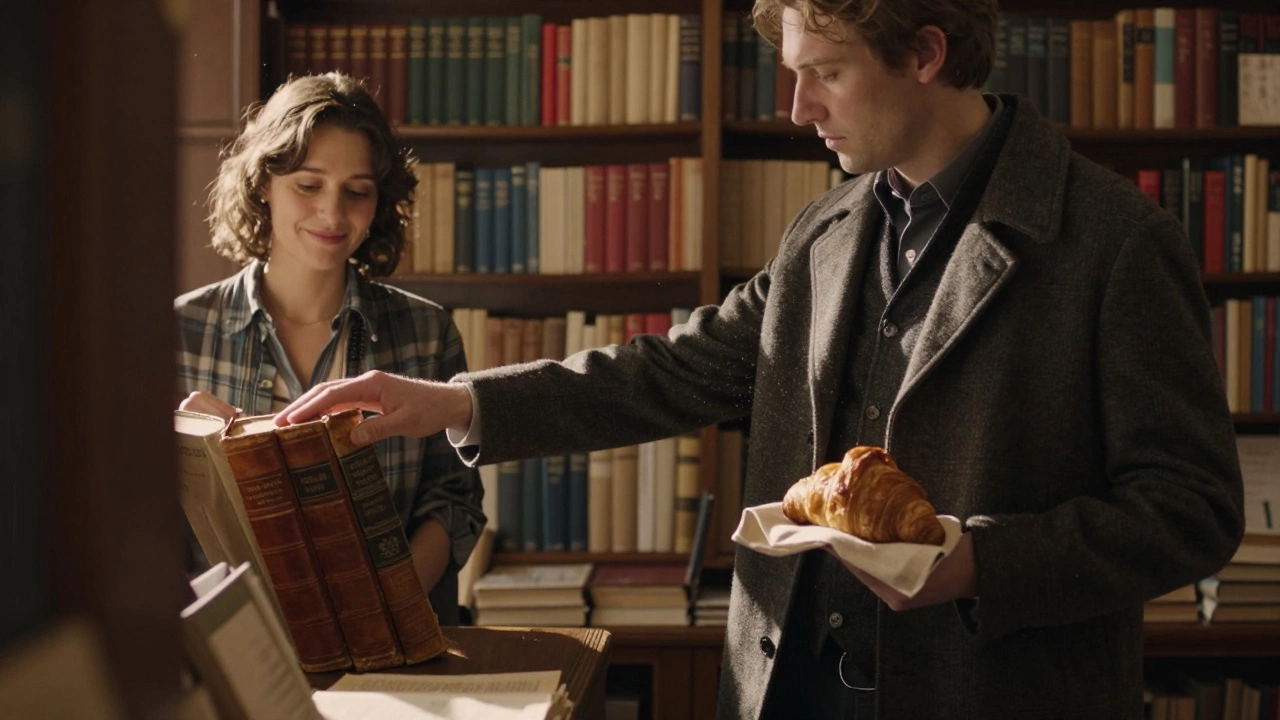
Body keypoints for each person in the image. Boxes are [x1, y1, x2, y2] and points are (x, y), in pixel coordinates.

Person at [276, 2, 1244, 717]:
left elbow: (1187, 510)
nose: (795, 106)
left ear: (924, 53)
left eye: (822, 71)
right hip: (790, 687)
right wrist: (448, 403)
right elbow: (675, 368)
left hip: (994, 691)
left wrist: (979, 561)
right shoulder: (824, 228)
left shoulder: (1112, 239)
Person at [175, 72, 484, 625]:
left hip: (389, 646)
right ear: (264, 183)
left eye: (357, 191)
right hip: (233, 649)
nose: (333, 215)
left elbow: (454, 500)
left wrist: (387, 602)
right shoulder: (179, 332)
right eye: (308, 185)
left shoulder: (427, 332)